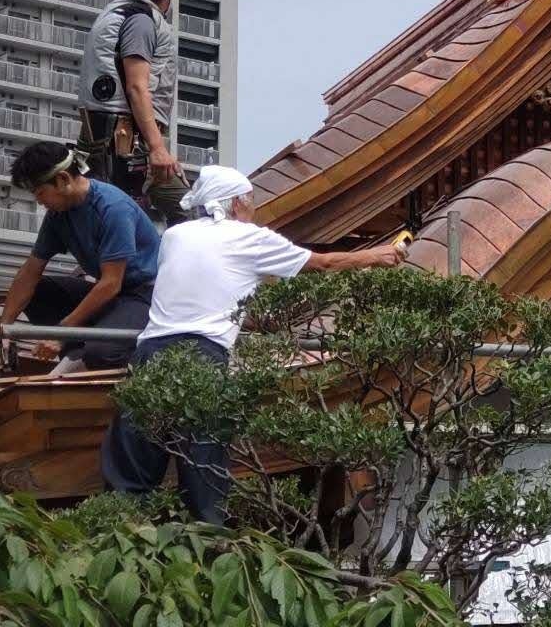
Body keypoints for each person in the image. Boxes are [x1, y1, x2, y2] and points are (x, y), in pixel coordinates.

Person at [101, 165, 405, 524]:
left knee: (133, 462)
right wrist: (375, 256)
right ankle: (208, 540)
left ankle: (119, 531)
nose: (254, 208)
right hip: (203, 354)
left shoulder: (175, 236)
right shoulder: (251, 238)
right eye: (251, 201)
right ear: (236, 204)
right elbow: (322, 264)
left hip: (149, 352)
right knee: (204, 465)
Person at [0, 141, 162, 374]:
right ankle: (77, 351)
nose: (39, 201)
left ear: (63, 179)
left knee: (103, 352)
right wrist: (3, 329)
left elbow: (111, 283)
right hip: (110, 294)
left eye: (40, 193)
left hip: (144, 295)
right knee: (38, 293)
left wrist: (61, 333)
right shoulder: (58, 214)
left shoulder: (113, 208)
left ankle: (105, 354)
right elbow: (30, 272)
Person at [78, 0, 186, 224]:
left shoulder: (114, 13)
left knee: (109, 220)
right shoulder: (141, 21)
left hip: (102, 139)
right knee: (192, 213)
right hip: (127, 143)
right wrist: (157, 147)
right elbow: (137, 87)